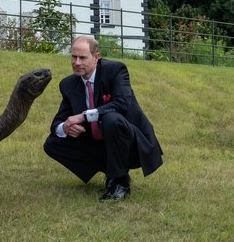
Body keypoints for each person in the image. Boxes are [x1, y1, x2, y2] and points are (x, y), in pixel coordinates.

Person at [44, 35, 163, 201]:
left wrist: (83, 116)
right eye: (73, 56)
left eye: (82, 58)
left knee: (111, 119)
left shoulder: (115, 70)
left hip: (133, 144)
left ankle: (119, 181)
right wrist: (65, 127)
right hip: (101, 144)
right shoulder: (68, 84)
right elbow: (57, 123)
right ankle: (112, 172)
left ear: (96, 58)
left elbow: (122, 104)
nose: (76, 62)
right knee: (52, 143)